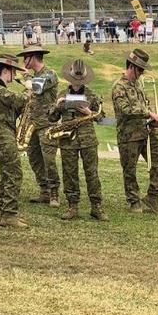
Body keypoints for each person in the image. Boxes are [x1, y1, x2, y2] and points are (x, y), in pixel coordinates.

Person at [48, 59, 107, 221]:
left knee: (92, 173)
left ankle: (96, 206)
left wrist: (89, 112)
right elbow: (51, 118)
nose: (77, 82)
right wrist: (57, 106)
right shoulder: (61, 94)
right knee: (69, 173)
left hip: (88, 139)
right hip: (68, 140)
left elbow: (102, 119)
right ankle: (72, 206)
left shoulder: (92, 95)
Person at [112, 49, 158, 213]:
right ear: (132, 66)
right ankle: (133, 201)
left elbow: (146, 104)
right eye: (140, 70)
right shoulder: (118, 87)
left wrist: (152, 119)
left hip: (145, 132)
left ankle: (152, 197)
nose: (142, 73)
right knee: (130, 169)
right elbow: (126, 110)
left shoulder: (139, 85)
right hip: (128, 135)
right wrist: (148, 113)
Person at [0, 54, 30, 228]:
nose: (15, 76)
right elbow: (21, 99)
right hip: (3, 137)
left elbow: (15, 107)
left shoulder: (0, 90)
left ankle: (6, 212)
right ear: (6, 71)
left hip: (3, 136)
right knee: (14, 173)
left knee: (7, 174)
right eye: (14, 72)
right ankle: (9, 214)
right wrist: (29, 89)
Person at [17, 45, 61, 207]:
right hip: (32, 124)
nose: (23, 62)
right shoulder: (35, 75)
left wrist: (26, 76)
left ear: (33, 57)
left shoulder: (50, 74)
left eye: (25, 58)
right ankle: (44, 190)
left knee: (48, 160)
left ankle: (54, 193)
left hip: (47, 124)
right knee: (34, 157)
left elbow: (36, 87)